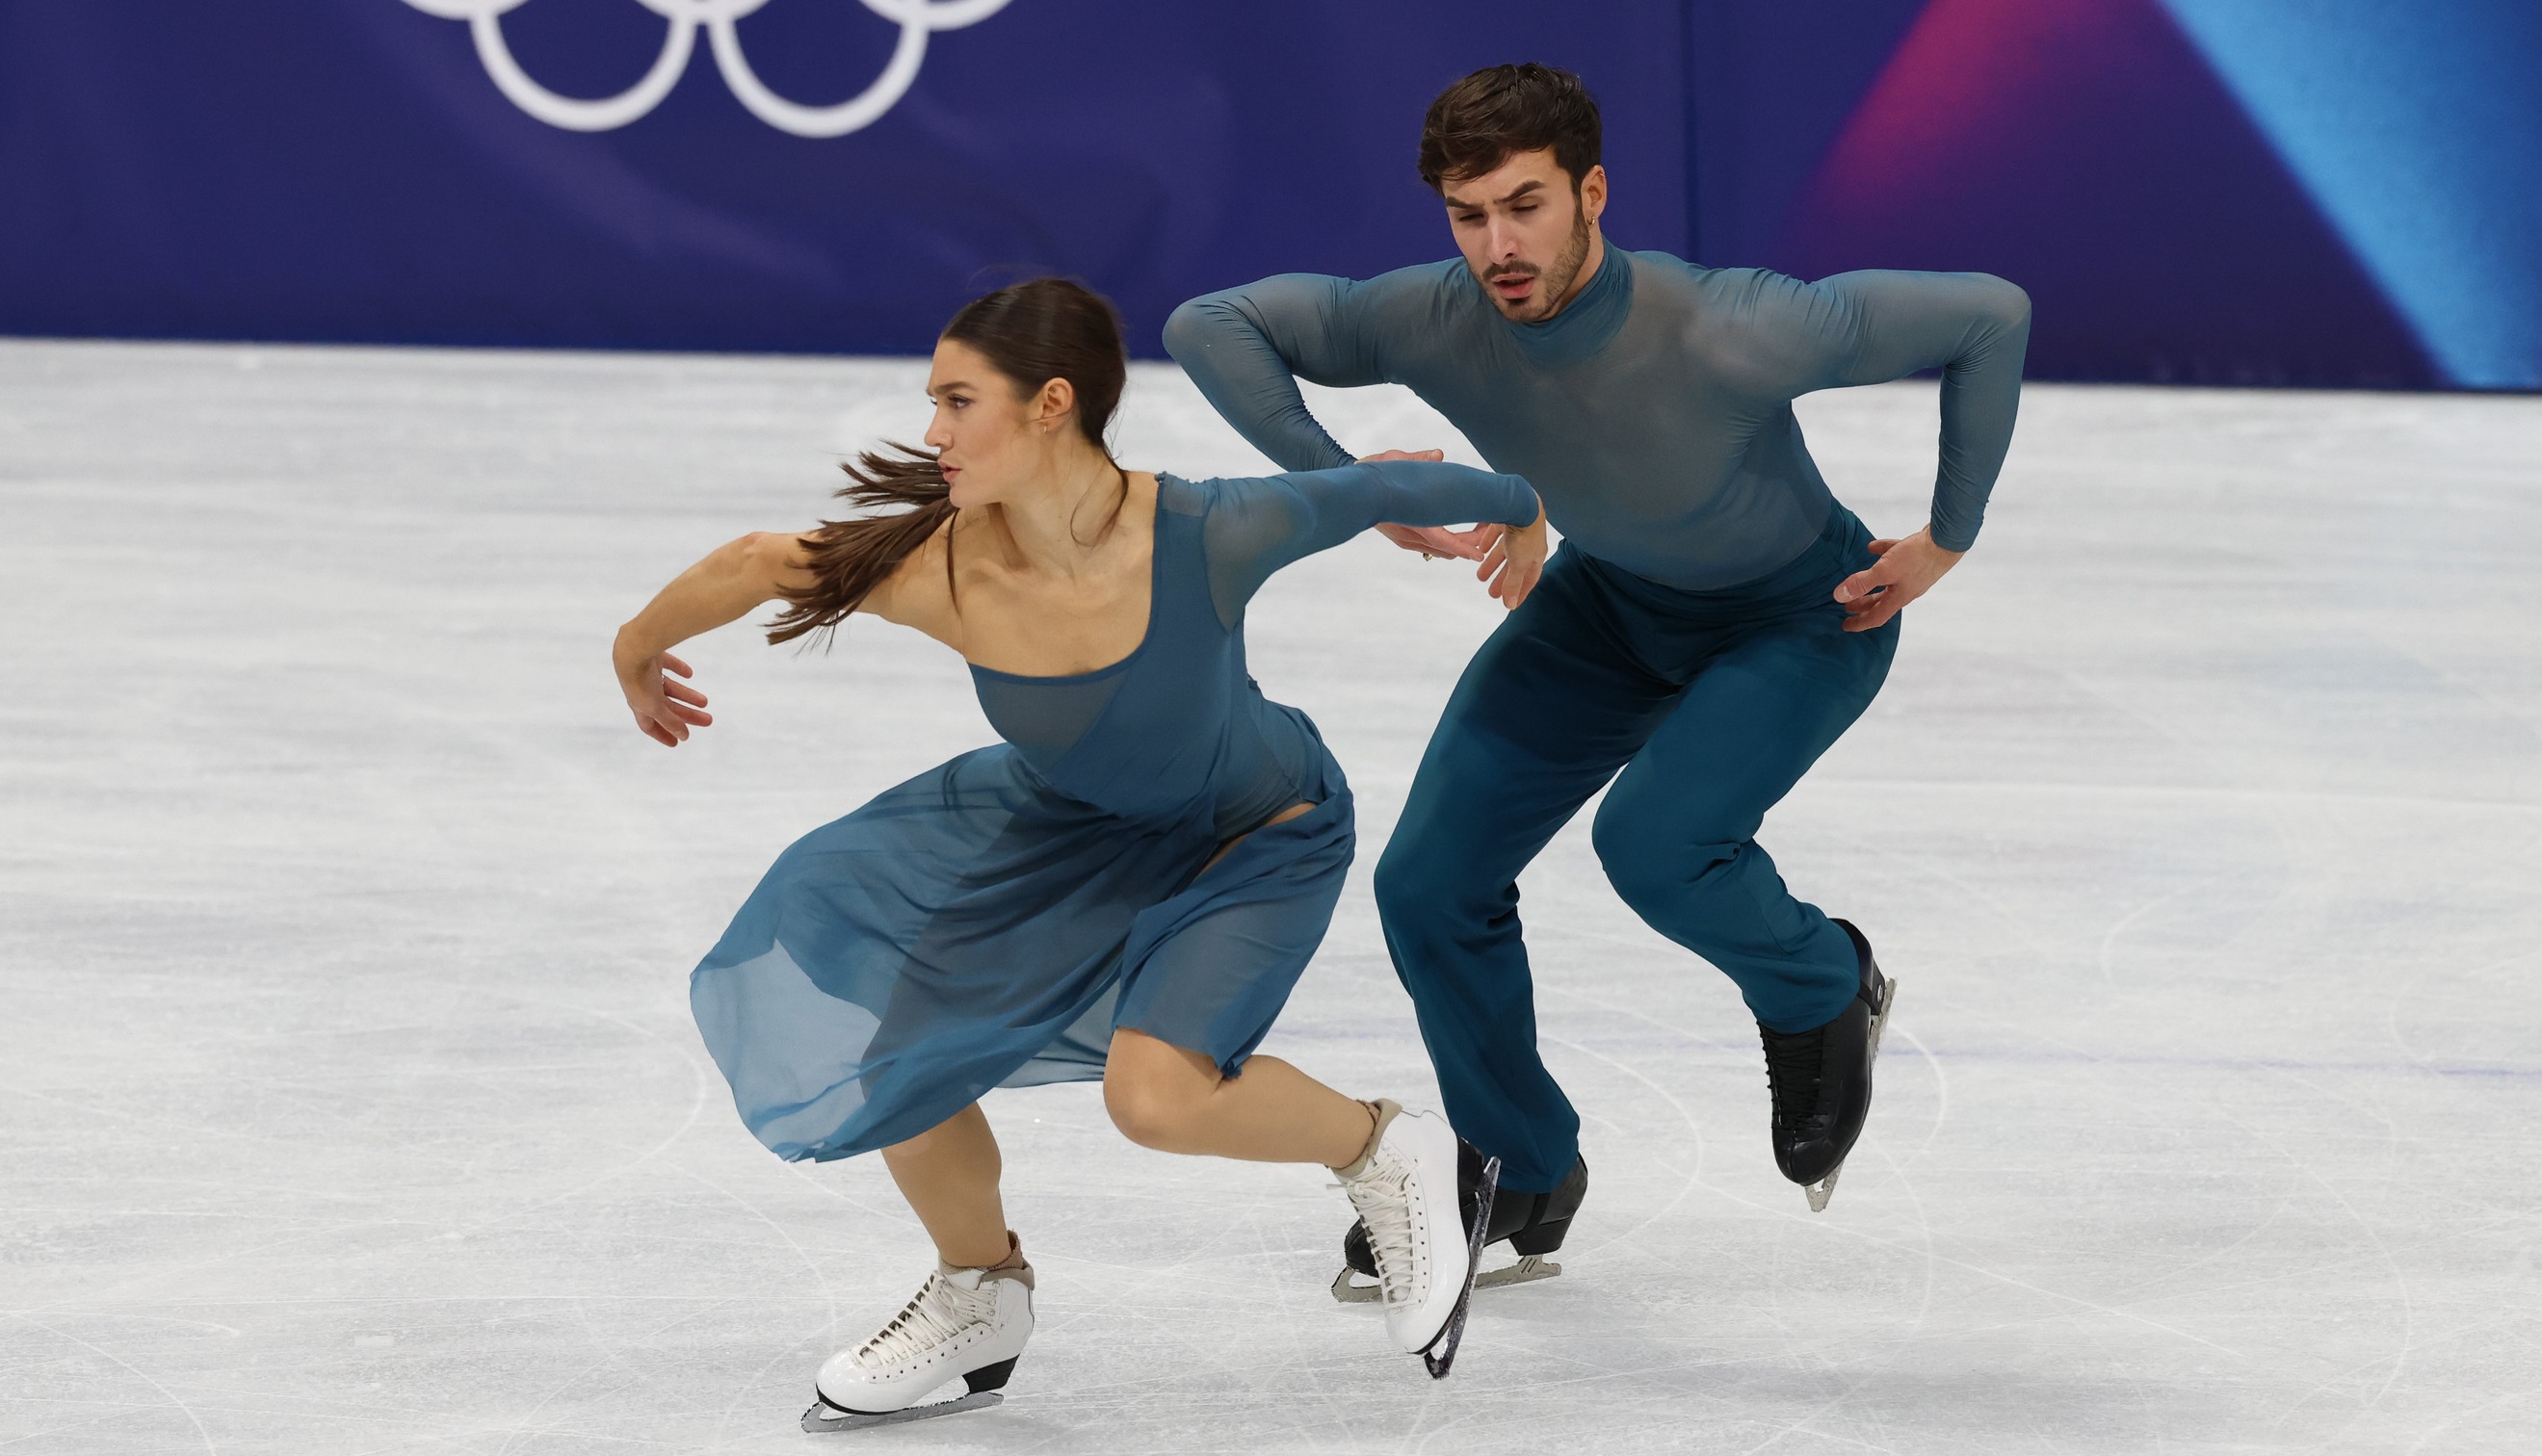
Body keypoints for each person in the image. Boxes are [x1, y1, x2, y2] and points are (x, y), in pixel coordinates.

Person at [611, 279, 1542, 1424]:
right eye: (933, 404)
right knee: (897, 1054)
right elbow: (760, 561)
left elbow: (1386, 486)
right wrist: (637, 644)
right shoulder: (937, 568)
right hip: (1070, 834)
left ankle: (1388, 1153)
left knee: (1156, 1100)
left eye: (959, 403)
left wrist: (1520, 511)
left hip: (1258, 836)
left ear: (1052, 403)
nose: (933, 434)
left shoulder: (1208, 531)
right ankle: (979, 1295)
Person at [1164, 64, 2031, 1292]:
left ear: (1594, 193)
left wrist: (1948, 535)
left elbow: (1989, 313)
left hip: (1797, 617)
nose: (1499, 247)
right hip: (1609, 609)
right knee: (1428, 885)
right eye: (1469, 216)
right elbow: (1212, 324)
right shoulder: (1429, 315)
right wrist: (1354, 492)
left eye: (1526, 205)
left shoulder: (1735, 324)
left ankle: (1823, 983)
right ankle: (1524, 1168)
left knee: (1657, 848)